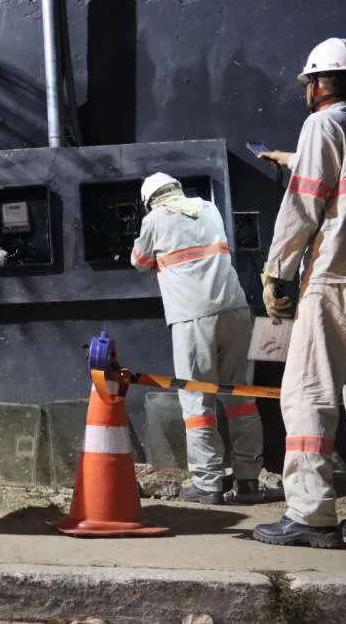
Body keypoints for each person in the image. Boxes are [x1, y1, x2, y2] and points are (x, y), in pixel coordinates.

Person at [253, 38, 346, 548]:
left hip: (332, 279)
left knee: (307, 393)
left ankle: (310, 515)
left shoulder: (320, 124)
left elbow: (306, 200)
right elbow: (340, 178)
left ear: (319, 82)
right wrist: (291, 157)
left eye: (307, 82)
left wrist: (277, 271)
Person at [131, 172, 265, 505]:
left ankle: (208, 484)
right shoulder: (209, 208)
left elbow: (139, 261)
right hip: (236, 310)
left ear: (150, 199)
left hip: (192, 318)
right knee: (242, 396)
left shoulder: (155, 219)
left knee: (197, 402)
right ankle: (248, 481)